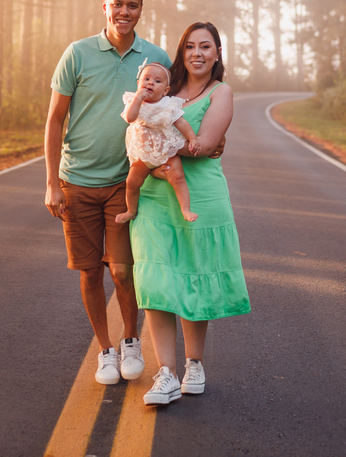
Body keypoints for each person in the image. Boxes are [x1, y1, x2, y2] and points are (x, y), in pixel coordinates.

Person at [44, 0, 171, 385]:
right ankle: (105, 351)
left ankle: (131, 340)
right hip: (76, 180)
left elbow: (180, 110)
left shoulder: (155, 59)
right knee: (89, 273)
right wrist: (51, 182)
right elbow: (54, 120)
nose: (124, 11)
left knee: (121, 270)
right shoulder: (77, 54)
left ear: (140, 10)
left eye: (132, 5)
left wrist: (211, 143)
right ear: (105, 7)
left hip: (125, 181)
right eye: (117, 4)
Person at [129, 21, 251, 406]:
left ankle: (193, 364)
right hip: (153, 193)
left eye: (206, 46)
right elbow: (135, 125)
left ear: (217, 53)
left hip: (200, 196)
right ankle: (164, 372)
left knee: (194, 277)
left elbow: (206, 143)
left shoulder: (222, 92)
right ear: (181, 53)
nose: (197, 53)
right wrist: (153, 135)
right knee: (156, 279)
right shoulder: (165, 89)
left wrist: (153, 137)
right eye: (190, 47)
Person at [115, 61, 200, 225]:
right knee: (132, 182)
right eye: (146, 79)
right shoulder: (134, 101)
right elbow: (129, 118)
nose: (150, 83)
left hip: (166, 148)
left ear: (166, 90)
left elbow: (181, 123)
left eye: (157, 81)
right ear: (138, 83)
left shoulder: (167, 104)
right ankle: (131, 211)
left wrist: (193, 138)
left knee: (178, 176)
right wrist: (138, 99)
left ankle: (185, 209)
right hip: (143, 150)